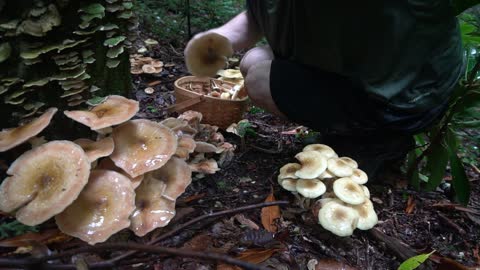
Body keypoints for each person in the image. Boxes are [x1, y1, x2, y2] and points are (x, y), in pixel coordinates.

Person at [184, 1, 465, 180]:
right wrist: (223, 38)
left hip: (405, 93)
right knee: (254, 62)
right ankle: (344, 128)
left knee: (260, 77)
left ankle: (378, 141)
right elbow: (260, 12)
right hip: (350, 70)